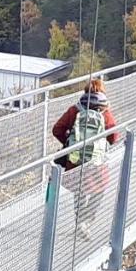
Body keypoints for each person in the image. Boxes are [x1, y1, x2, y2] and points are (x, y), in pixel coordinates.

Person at [51, 80, 121, 237]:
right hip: (97, 162)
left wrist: (70, 144)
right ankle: (87, 221)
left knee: (79, 191)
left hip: (75, 160)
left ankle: (80, 223)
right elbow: (114, 136)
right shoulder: (105, 112)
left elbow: (57, 129)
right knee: (100, 189)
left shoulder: (75, 109)